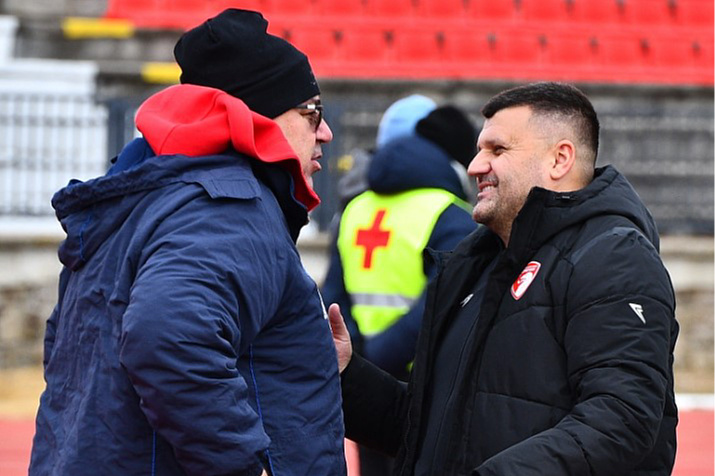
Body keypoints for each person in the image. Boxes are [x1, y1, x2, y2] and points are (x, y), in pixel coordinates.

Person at [30, 9, 345, 476]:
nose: (325, 131)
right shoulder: (229, 206)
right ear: (257, 117)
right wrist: (242, 464)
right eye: (310, 112)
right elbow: (165, 336)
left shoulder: (143, 203)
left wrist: (307, 357)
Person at [329, 81, 679, 475]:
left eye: (497, 150)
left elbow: (621, 419)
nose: (476, 165)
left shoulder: (613, 257)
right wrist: (345, 376)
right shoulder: (472, 263)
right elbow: (430, 431)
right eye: (479, 149)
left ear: (559, 159)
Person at [323, 104, 479, 380]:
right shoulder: (451, 216)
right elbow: (440, 302)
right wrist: (379, 356)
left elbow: (334, 296)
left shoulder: (355, 208)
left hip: (353, 369)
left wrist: (358, 356)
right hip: (419, 379)